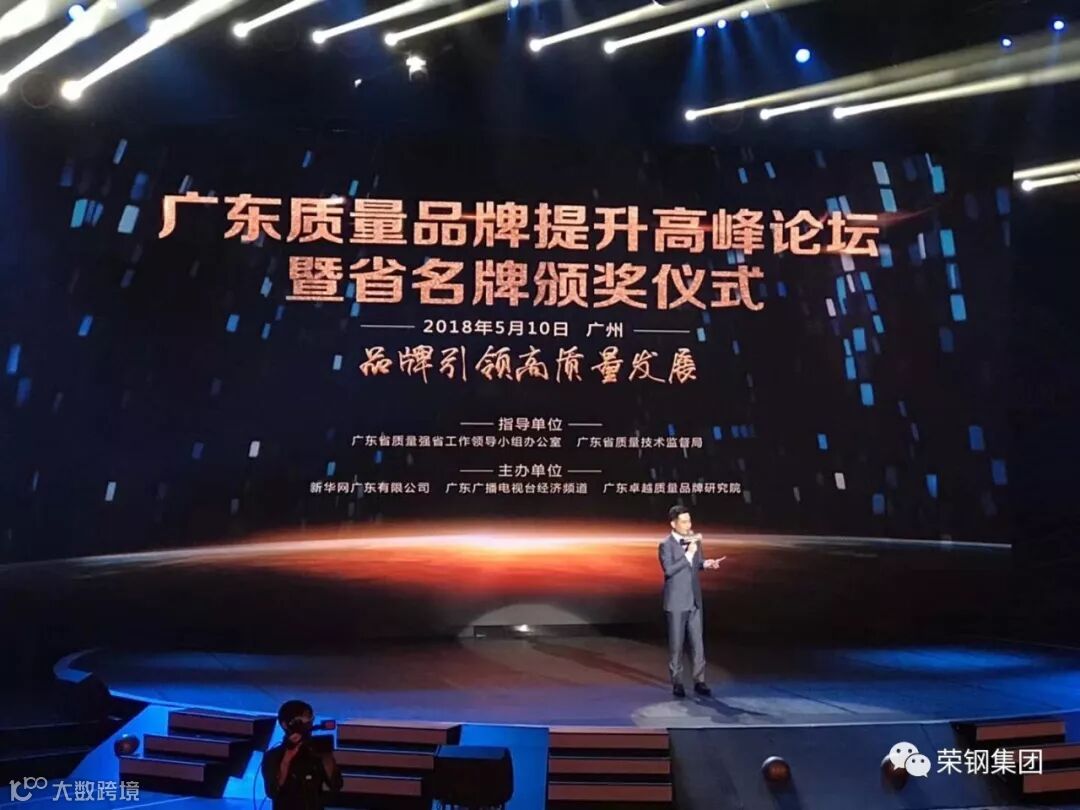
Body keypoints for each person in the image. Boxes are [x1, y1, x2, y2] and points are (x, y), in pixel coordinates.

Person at [658, 505, 726, 698]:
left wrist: (707, 564)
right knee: (677, 645)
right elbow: (669, 570)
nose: (688, 525)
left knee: (698, 644)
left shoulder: (694, 541)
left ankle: (699, 681)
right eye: (684, 522)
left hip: (695, 600)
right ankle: (677, 682)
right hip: (676, 602)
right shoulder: (666, 545)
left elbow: (696, 564)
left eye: (689, 521)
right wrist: (688, 554)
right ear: (673, 524)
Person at [261, 700, 343, 810]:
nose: (306, 724)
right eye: (300, 720)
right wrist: (286, 760)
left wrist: (326, 756)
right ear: (285, 724)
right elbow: (272, 791)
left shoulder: (315, 752)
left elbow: (336, 784)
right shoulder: (273, 755)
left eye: (309, 719)